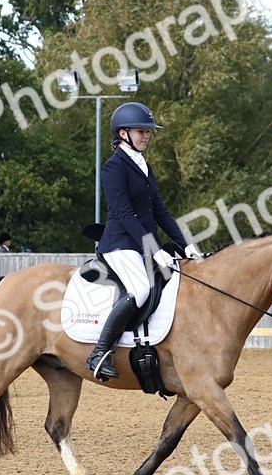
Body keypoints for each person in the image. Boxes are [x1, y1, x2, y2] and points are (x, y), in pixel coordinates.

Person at [85, 102, 200, 381]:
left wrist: (186, 244)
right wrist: (154, 248)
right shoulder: (114, 167)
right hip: (120, 244)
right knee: (140, 290)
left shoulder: (143, 166)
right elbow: (123, 213)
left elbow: (160, 212)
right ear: (123, 133)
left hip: (144, 243)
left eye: (148, 131)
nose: (146, 136)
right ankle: (99, 352)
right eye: (141, 131)